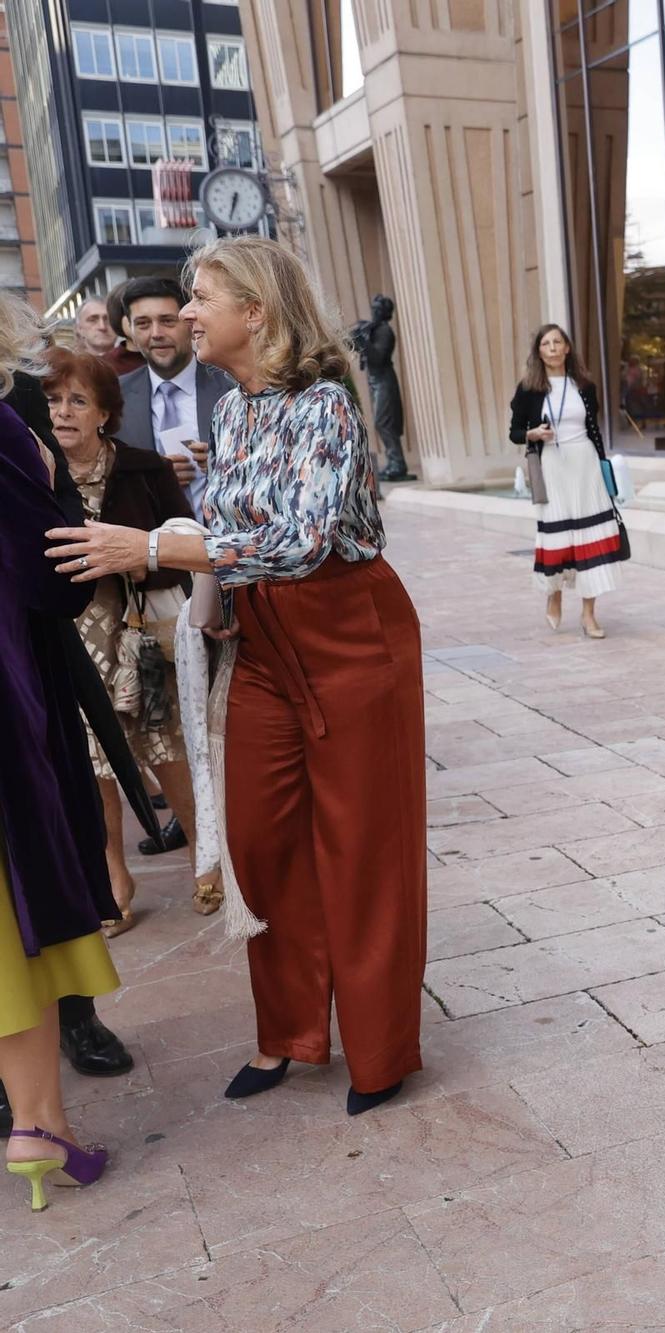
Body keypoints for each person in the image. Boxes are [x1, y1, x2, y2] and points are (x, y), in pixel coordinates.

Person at [46, 236, 428, 1118]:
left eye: (202, 296)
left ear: (255, 311)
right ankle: (291, 1032)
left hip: (348, 631)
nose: (185, 313)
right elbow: (233, 526)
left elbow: (300, 539)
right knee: (258, 838)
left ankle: (379, 1049)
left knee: (364, 845)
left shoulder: (325, 404)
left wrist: (152, 546)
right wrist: (209, 598)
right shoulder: (235, 412)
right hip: (259, 639)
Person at [0, 309, 136, 1092]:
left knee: (51, 834)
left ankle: (76, 1014)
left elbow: (64, 538)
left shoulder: (16, 397)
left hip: (27, 658)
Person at [42, 348, 220, 932]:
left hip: (143, 636)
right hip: (72, 637)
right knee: (93, 761)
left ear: (104, 414)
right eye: (52, 400)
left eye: (77, 400)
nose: (63, 412)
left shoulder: (144, 468)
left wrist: (139, 562)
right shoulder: (34, 475)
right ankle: (113, 872)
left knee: (164, 745)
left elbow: (186, 553)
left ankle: (206, 856)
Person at [508, 325, 626, 639]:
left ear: (567, 348)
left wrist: (604, 466)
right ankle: (554, 594)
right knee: (557, 536)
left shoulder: (584, 385)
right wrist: (533, 434)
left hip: (584, 463)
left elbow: (594, 428)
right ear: (539, 351)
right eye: (546, 343)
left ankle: (589, 615)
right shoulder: (529, 388)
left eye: (557, 341)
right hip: (551, 467)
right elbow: (515, 431)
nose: (552, 347)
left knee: (591, 535)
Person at [115, 276, 234, 507]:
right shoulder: (115, 398)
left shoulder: (232, 386)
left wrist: (225, 464)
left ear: (189, 322)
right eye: (143, 324)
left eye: (167, 321)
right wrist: (153, 477)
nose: (156, 333)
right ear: (129, 329)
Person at [350, 294, 410, 481]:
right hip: (375, 381)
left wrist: (363, 341)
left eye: (378, 310)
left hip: (384, 380)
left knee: (383, 422)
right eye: (373, 308)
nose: (374, 312)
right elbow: (358, 349)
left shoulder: (384, 331)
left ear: (385, 313)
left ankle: (397, 463)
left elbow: (377, 357)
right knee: (382, 423)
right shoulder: (374, 329)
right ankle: (395, 462)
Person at [77, 296, 143, 376]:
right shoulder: (73, 369)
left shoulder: (138, 362)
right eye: (93, 320)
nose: (102, 327)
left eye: (107, 319)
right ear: (79, 328)